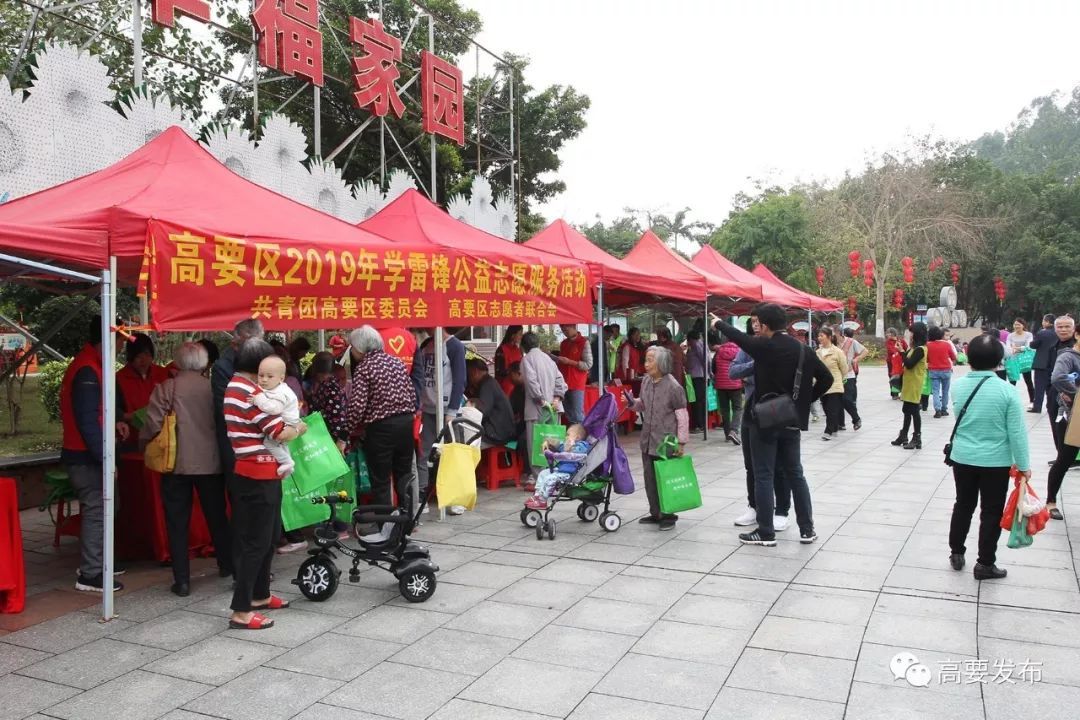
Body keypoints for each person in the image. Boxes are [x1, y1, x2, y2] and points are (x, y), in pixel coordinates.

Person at [717, 305, 831, 546]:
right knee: (796, 474)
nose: (756, 327)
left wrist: (717, 323)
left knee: (763, 475)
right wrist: (801, 403)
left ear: (766, 325)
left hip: (765, 420)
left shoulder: (765, 346)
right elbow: (827, 379)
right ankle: (807, 530)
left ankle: (766, 532)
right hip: (790, 419)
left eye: (758, 323)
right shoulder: (803, 349)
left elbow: (738, 337)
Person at [224, 338, 307, 631]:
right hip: (256, 473)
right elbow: (278, 431)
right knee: (256, 542)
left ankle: (260, 595)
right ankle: (241, 610)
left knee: (269, 537)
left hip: (262, 472)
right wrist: (300, 426)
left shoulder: (240, 386)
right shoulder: (249, 392)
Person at [141, 341, 233, 597]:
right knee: (217, 516)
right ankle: (227, 564)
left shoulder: (166, 388)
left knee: (177, 522)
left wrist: (143, 442)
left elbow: (152, 425)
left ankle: (182, 580)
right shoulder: (213, 388)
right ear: (204, 363)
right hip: (211, 463)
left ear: (178, 362)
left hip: (176, 463)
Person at [948, 335, 1031, 580]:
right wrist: (1024, 466)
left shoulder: (958, 386)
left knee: (963, 504)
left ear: (969, 358)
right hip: (996, 462)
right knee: (991, 511)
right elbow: (1017, 433)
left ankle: (956, 552)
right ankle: (985, 563)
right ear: (999, 360)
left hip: (963, 457)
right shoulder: (1008, 391)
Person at [61, 316, 129, 593]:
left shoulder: (94, 365)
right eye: (121, 341)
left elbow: (99, 411)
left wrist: (116, 422)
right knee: (97, 510)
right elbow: (87, 420)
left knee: (106, 507)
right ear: (109, 338)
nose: (122, 348)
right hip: (85, 455)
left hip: (89, 452)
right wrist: (105, 458)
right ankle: (90, 573)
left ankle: (100, 561)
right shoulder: (87, 370)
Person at [729, 317, 791, 530]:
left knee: (779, 465)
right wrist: (757, 365)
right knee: (751, 465)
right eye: (753, 322)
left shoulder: (781, 346)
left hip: (776, 409)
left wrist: (750, 375)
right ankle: (754, 506)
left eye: (759, 321)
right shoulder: (748, 347)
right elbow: (733, 371)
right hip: (751, 410)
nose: (756, 325)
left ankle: (781, 510)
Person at [348, 326, 419, 510]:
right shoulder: (396, 362)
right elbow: (412, 395)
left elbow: (357, 406)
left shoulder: (364, 368)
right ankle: (407, 518)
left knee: (380, 480)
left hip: (381, 429)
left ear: (360, 348)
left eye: (352, 347)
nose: (351, 351)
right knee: (404, 475)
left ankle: (384, 522)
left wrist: (345, 431)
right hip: (405, 425)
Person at [627, 346, 688, 531]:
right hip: (648, 439)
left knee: (665, 479)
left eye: (650, 360)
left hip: (665, 441)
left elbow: (682, 415)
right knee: (650, 479)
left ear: (661, 363)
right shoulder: (646, 381)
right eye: (646, 360)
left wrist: (681, 442)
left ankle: (668, 515)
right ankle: (656, 513)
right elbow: (642, 405)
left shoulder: (674, 386)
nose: (646, 364)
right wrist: (632, 402)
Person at [412, 327, 466, 512]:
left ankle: (453, 498)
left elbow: (460, 380)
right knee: (424, 453)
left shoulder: (454, 346)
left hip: (448, 408)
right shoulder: (426, 345)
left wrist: (453, 410)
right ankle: (422, 496)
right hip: (428, 408)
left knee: (452, 453)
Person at [212, 319, 266, 486]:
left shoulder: (266, 361)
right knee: (241, 492)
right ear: (235, 343)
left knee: (268, 494)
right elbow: (227, 410)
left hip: (266, 440)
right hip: (238, 443)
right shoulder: (223, 367)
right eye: (249, 345)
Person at [521, 331, 568, 487]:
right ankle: (553, 475)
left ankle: (540, 480)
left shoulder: (527, 359)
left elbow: (531, 382)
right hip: (554, 407)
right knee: (553, 443)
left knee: (536, 445)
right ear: (538, 344)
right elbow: (560, 381)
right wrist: (557, 398)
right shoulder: (548, 359)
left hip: (537, 408)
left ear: (523, 347)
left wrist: (541, 400)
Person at [1047, 324, 1080, 520]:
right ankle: (1051, 502)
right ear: (1077, 335)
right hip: (1071, 417)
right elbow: (1057, 377)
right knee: (1064, 460)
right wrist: (1076, 394)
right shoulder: (1068, 357)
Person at [116, 332, 170, 449]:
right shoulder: (119, 379)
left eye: (147, 355)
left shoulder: (163, 374)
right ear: (130, 357)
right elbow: (112, 411)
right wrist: (130, 417)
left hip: (161, 441)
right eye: (138, 356)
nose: (143, 360)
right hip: (131, 442)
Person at [251, 355, 302, 477]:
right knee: (282, 444)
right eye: (261, 375)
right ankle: (288, 464)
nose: (264, 380)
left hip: (287, 423)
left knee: (269, 443)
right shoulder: (277, 387)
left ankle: (286, 462)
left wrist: (258, 400)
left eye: (270, 376)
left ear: (281, 378)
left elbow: (274, 409)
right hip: (290, 422)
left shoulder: (280, 392)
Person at [524, 424, 593, 510]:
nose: (566, 437)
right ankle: (537, 495)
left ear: (577, 437)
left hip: (569, 474)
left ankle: (542, 500)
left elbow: (576, 453)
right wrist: (550, 442)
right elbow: (560, 445)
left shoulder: (582, 445)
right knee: (543, 473)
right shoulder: (567, 444)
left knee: (549, 479)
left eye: (568, 435)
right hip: (560, 470)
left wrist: (570, 446)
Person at [893, 322, 928, 450]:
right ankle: (903, 435)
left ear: (917, 334)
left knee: (914, 411)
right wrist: (902, 350)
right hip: (908, 383)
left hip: (914, 384)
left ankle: (917, 438)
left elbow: (909, 364)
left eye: (912, 332)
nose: (910, 335)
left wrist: (902, 351)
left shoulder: (921, 349)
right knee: (906, 410)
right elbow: (906, 361)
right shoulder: (913, 348)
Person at [466, 358, 515, 447]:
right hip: (502, 431)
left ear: (475, 372)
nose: (469, 379)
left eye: (469, 375)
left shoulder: (487, 384)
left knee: (465, 442)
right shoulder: (489, 382)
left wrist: (472, 404)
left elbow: (483, 412)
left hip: (497, 434)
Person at [1044, 316, 1076, 452]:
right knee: (1056, 423)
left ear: (1073, 329)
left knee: (1072, 427)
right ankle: (1060, 455)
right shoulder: (1053, 347)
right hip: (1054, 392)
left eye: (1067, 326)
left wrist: (1071, 392)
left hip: (1072, 392)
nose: (1063, 329)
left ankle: (1070, 457)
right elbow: (1048, 370)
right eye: (1060, 327)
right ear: (1055, 329)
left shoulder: (1076, 348)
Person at [816, 326, 849, 441]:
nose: (819, 338)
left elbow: (844, 368)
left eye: (822, 336)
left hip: (835, 385)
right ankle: (834, 428)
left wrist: (839, 379)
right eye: (818, 336)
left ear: (829, 337)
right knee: (826, 408)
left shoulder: (838, 352)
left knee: (831, 409)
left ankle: (828, 431)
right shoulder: (817, 352)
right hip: (822, 385)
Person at [556, 324, 592, 424]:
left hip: (577, 383)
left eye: (566, 330)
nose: (565, 333)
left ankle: (581, 433)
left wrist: (570, 362)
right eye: (563, 330)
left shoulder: (584, 342)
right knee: (569, 414)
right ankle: (573, 432)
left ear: (573, 327)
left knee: (577, 414)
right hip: (564, 382)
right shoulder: (564, 343)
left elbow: (588, 364)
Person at [713, 332, 743, 444]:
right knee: (737, 408)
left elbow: (713, 367)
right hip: (735, 384)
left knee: (725, 409)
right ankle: (734, 431)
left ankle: (727, 434)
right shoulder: (740, 351)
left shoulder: (719, 351)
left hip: (721, 384)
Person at [838, 327, 866, 431]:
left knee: (846, 399)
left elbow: (865, 351)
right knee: (837, 399)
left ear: (840, 333)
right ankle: (840, 423)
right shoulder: (831, 344)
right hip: (836, 375)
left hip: (848, 375)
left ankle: (856, 419)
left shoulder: (851, 342)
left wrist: (856, 359)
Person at [927, 325, 958, 419]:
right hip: (946, 370)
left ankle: (937, 410)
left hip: (933, 370)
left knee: (935, 391)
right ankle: (944, 409)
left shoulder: (928, 345)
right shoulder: (947, 344)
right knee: (945, 391)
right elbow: (953, 357)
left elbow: (927, 359)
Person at [1030, 314, 1058, 414]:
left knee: (1039, 387)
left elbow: (1033, 345)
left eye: (1043, 321)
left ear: (1047, 322)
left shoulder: (1042, 333)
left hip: (1041, 364)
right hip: (1055, 364)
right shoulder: (1058, 333)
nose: (1042, 323)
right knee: (1051, 387)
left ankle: (1037, 407)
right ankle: (1050, 406)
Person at [684, 329, 707, 432]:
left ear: (691, 339)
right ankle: (698, 424)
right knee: (695, 400)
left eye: (688, 340)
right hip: (693, 376)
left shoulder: (697, 346)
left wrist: (707, 373)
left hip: (697, 377)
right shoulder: (694, 347)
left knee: (697, 401)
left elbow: (704, 359)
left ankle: (699, 424)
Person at [1008, 319, 1036, 402]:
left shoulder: (1028, 334)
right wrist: (1020, 348)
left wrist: (1016, 348)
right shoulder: (1010, 335)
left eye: (1018, 324)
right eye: (1015, 324)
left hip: (1025, 360)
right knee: (1013, 381)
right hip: (1013, 360)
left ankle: (1032, 400)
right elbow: (1008, 347)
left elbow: (1028, 346)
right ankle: (1011, 400)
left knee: (1028, 381)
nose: (1016, 326)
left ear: (1023, 325)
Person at [494, 325, 524, 395]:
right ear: (512, 335)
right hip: (505, 387)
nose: (521, 336)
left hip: (518, 386)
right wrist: (512, 372)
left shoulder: (519, 350)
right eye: (520, 334)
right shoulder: (501, 350)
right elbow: (499, 371)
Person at [885, 327, 905, 400]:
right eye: (887, 333)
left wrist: (902, 352)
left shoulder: (901, 340)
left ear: (893, 333)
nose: (887, 334)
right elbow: (891, 350)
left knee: (901, 377)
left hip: (901, 361)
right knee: (892, 377)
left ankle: (902, 393)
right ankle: (894, 394)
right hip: (891, 362)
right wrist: (899, 350)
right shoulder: (888, 342)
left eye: (889, 333)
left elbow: (906, 348)